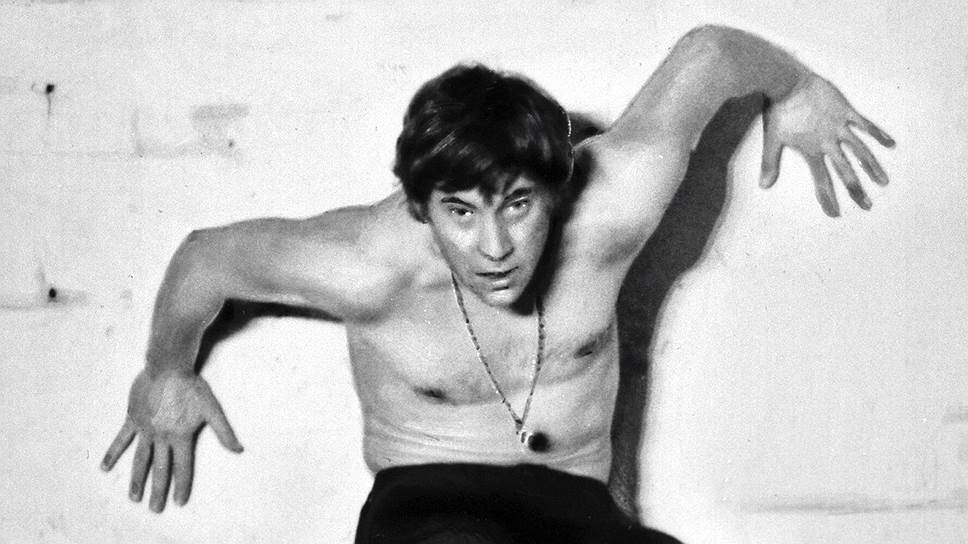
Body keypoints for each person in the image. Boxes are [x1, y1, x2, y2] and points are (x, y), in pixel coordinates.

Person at [100, 25, 894, 543]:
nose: (495, 247)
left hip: (577, 509)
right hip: (431, 507)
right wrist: (166, 372)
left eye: (518, 205)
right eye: (461, 212)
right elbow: (206, 258)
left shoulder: (615, 205)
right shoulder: (365, 265)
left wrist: (794, 89)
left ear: (556, 190)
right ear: (422, 207)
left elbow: (711, 55)